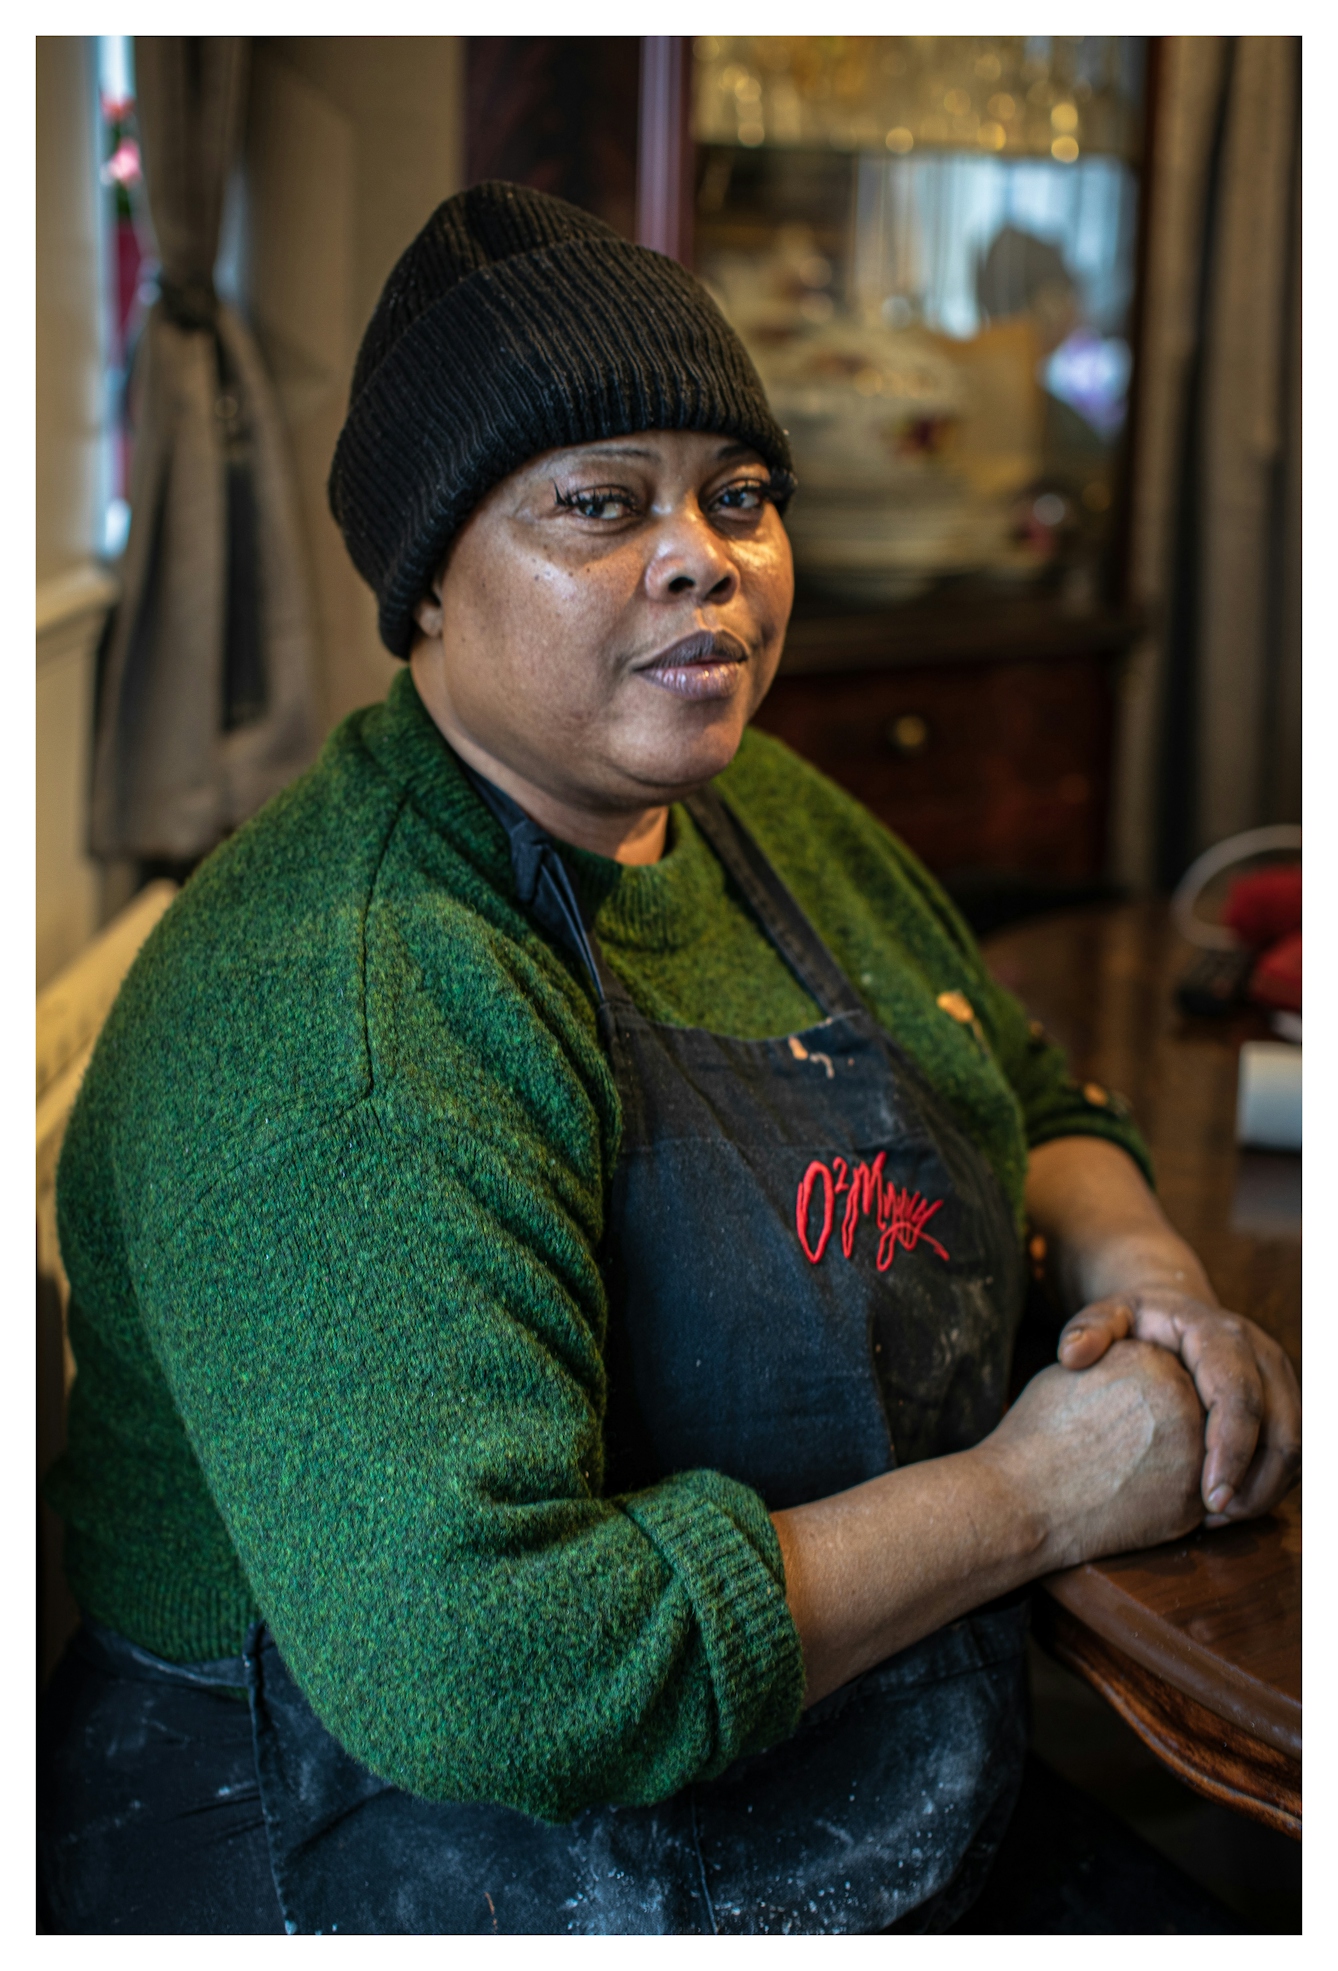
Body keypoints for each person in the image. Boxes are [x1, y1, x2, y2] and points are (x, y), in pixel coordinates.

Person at [38, 184, 1300, 1936]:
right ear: (425, 589)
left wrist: (1143, 1276)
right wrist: (1033, 1496)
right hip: (365, 1855)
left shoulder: (752, 808)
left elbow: (1015, 1080)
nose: (705, 553)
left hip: (807, 1773)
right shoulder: (351, 1011)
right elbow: (493, 1676)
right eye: (598, 504)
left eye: (738, 494)